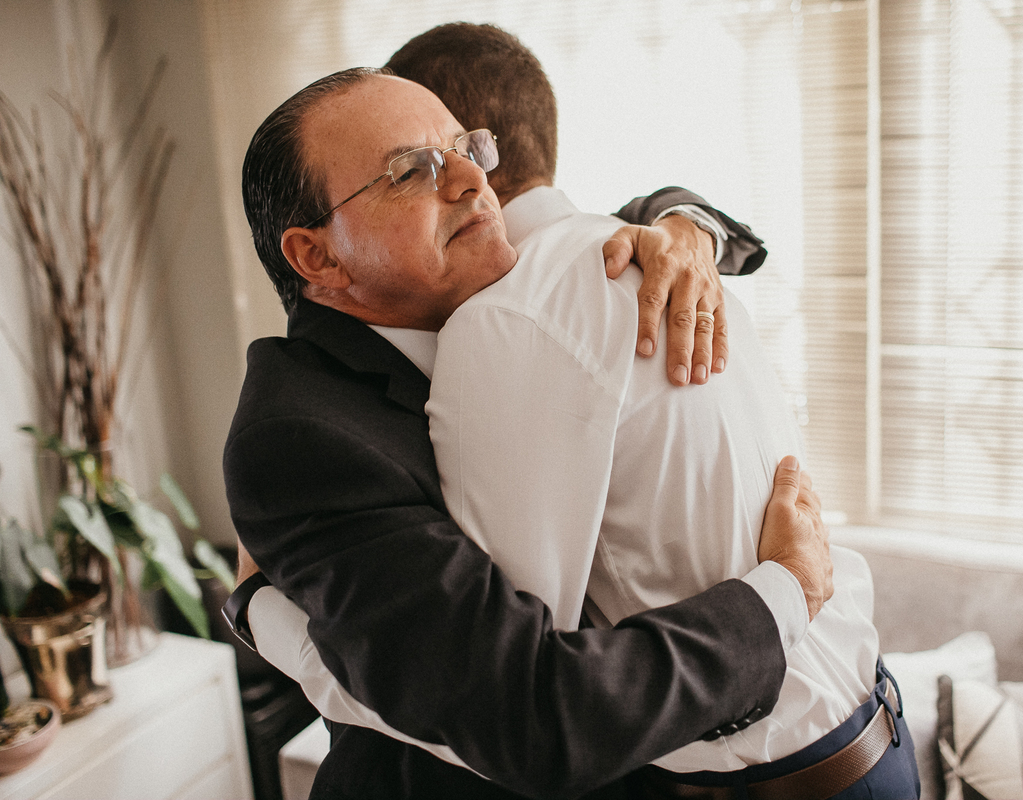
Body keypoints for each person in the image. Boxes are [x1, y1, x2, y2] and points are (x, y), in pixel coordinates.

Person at [241, 24, 919, 799]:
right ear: (318, 257)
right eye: (411, 169)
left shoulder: (577, 280)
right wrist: (786, 591)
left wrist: (683, 218)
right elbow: (530, 708)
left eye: (468, 146)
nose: (471, 181)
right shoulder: (301, 435)